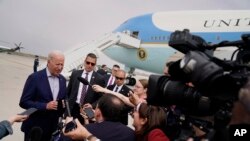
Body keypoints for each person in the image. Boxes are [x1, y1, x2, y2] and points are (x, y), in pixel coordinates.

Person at [19, 50, 66, 141]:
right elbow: (24, 102)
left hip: (52, 130)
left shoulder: (62, 80)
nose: (60, 67)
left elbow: (64, 99)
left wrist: (63, 105)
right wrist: (45, 106)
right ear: (48, 62)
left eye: (62, 65)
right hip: (35, 129)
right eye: (57, 64)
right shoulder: (34, 78)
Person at [63, 94, 135, 141]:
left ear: (98, 112)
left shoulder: (85, 131)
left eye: (96, 107)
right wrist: (87, 120)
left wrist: (68, 126)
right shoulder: (131, 134)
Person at [67, 53, 105, 124]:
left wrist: (92, 105)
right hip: (73, 108)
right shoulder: (75, 74)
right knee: (70, 131)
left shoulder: (99, 78)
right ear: (84, 62)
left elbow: (102, 97)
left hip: (88, 110)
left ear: (95, 65)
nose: (90, 65)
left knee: (86, 132)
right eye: (88, 63)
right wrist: (66, 109)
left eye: (92, 64)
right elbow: (68, 92)